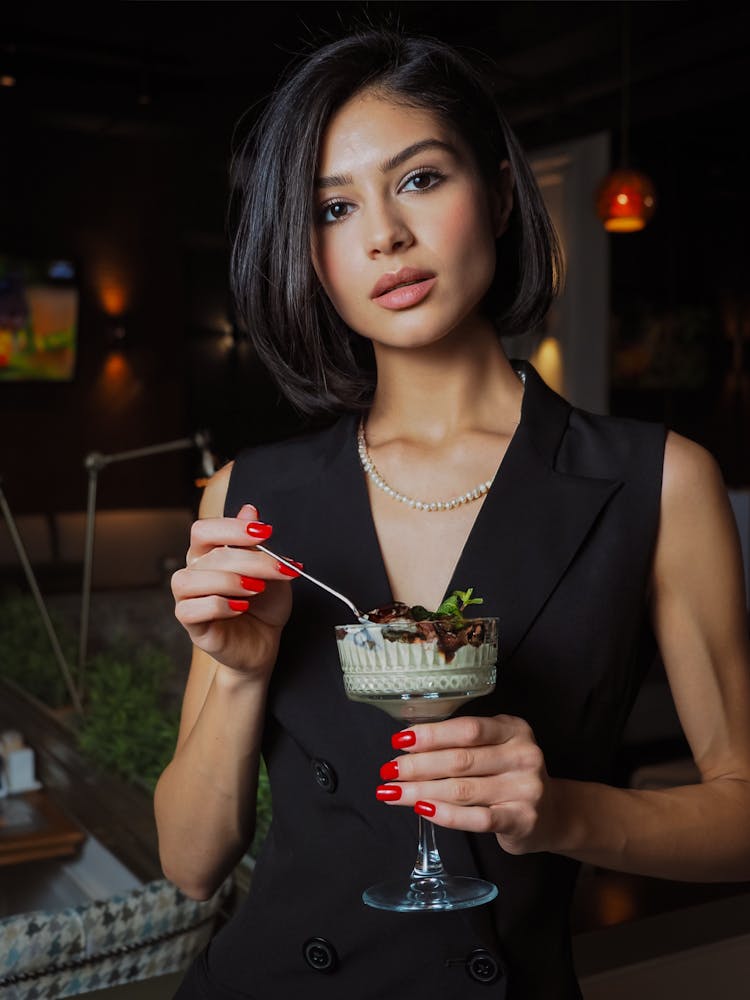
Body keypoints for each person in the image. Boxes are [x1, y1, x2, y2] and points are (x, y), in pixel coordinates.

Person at [155, 25, 750, 1000]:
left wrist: (560, 812)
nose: (384, 232)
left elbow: (742, 814)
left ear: (504, 193)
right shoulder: (252, 497)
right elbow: (188, 860)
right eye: (334, 207)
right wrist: (237, 674)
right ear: (309, 253)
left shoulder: (658, 480)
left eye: (420, 179)